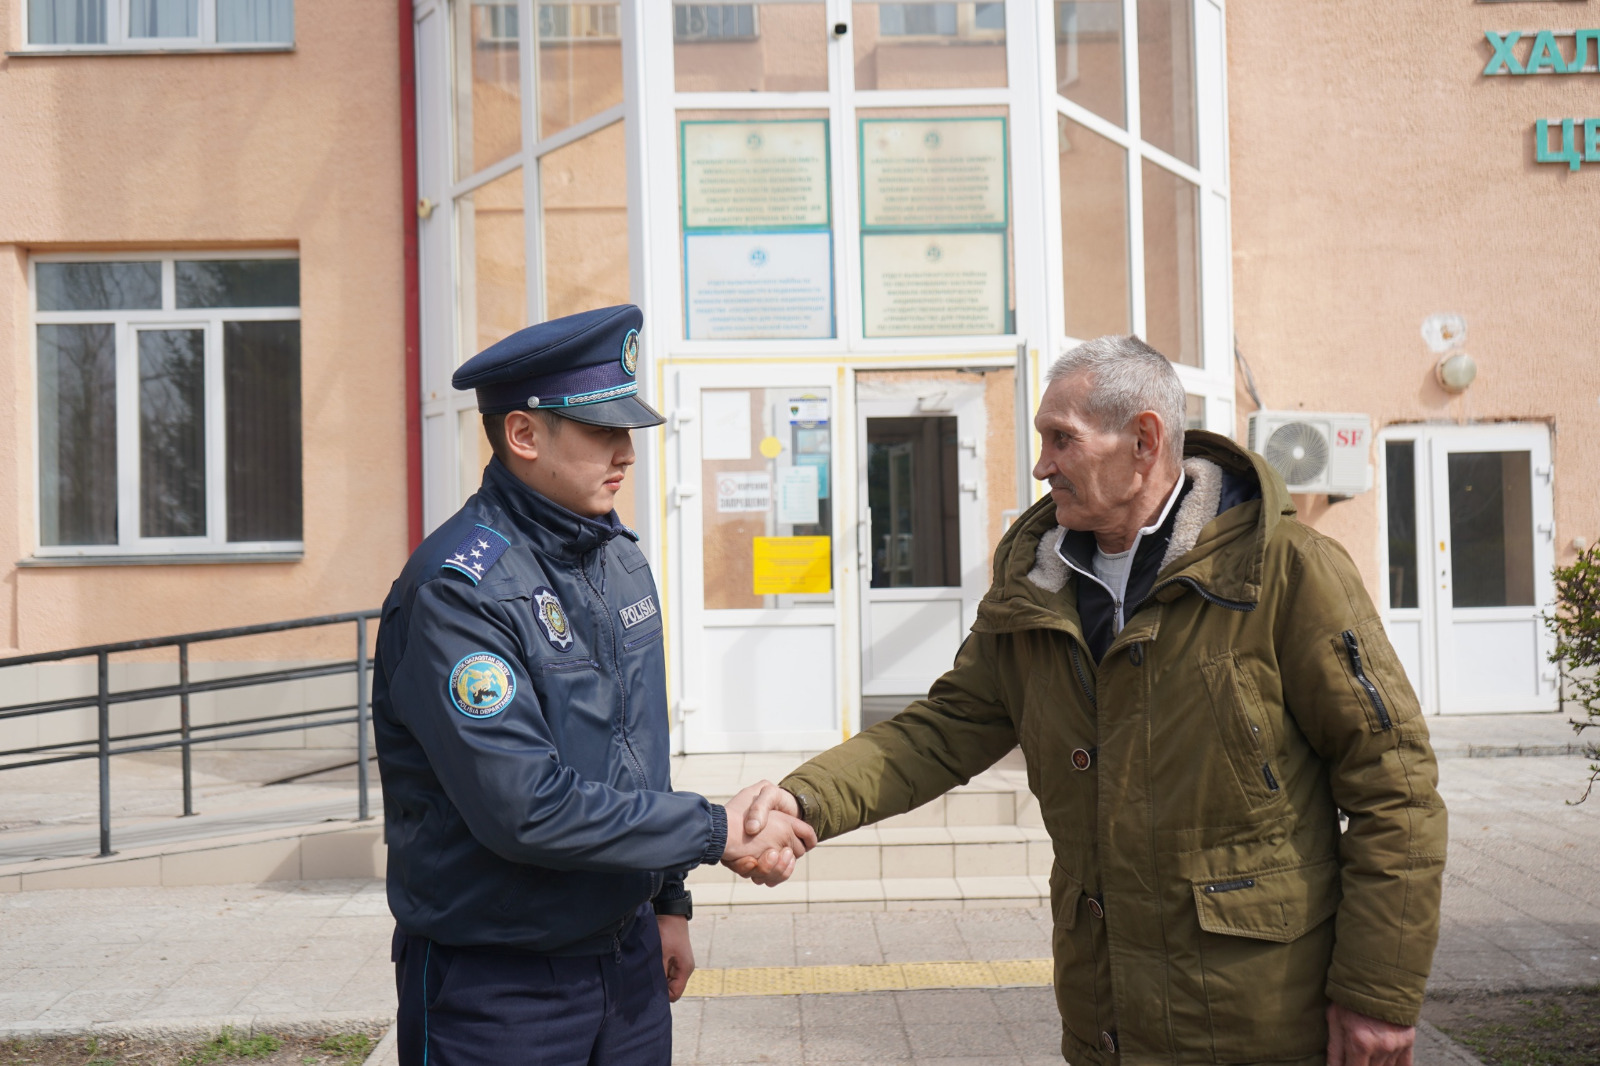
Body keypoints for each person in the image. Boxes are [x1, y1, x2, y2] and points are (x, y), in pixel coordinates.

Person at [739, 335, 1448, 1066]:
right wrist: (804, 801)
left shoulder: (1286, 572)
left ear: (1143, 440)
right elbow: (944, 728)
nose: (1042, 463)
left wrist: (1377, 994)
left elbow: (1394, 788)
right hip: (1106, 1019)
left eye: (1061, 440)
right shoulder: (1035, 585)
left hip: (1261, 1024)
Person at [373, 304, 815, 1066]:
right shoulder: (459, 592)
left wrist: (667, 904)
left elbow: (639, 751)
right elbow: (525, 808)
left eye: (629, 432)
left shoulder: (617, 560)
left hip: (629, 963)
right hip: (504, 984)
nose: (625, 454)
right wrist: (715, 831)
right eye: (600, 432)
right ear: (523, 434)